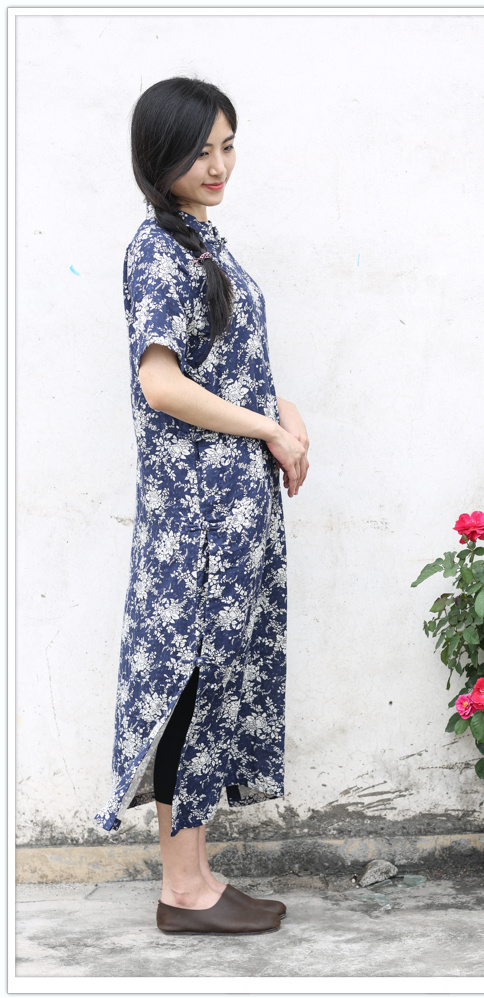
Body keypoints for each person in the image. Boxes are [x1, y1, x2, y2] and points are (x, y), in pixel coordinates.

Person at [94, 77, 309, 934]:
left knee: (214, 680)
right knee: (189, 683)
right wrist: (266, 427)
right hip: (198, 520)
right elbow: (161, 383)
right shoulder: (157, 250)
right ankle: (182, 891)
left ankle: (197, 876)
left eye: (227, 146)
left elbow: (220, 366)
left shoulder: (201, 241)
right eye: (198, 151)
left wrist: (284, 416)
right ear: (158, 158)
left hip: (231, 508)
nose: (217, 165)